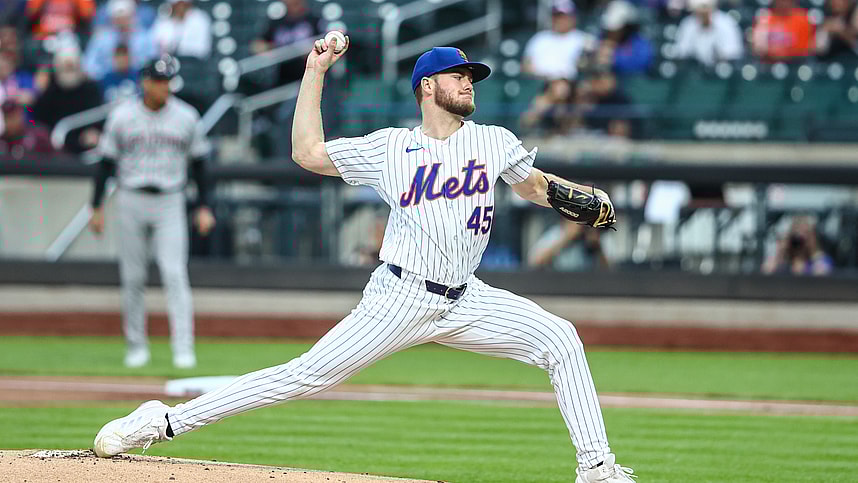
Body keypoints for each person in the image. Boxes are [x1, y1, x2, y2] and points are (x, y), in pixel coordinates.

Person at [91, 41, 635, 483]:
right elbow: (307, 153)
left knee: (561, 339)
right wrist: (315, 71)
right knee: (302, 377)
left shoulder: (494, 141)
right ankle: (160, 420)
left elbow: (535, 187)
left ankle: (597, 470)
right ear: (428, 86)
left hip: (466, 296)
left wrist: (579, 197)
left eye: (473, 75)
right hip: (400, 295)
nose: (470, 82)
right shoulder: (391, 148)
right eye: (459, 74)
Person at [87, 55, 216, 369]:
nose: (163, 86)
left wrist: (203, 206)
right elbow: (105, 164)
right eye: (158, 80)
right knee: (132, 277)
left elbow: (200, 165)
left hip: (170, 199)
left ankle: (183, 348)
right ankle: (136, 346)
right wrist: (96, 206)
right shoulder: (122, 116)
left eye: (167, 80)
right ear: (144, 81)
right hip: (131, 196)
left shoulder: (186, 116)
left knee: (174, 274)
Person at [31, 45, 103, 154]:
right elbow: (40, 120)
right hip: (55, 148)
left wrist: (94, 131)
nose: (69, 71)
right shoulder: (50, 92)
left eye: (72, 67)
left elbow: (98, 116)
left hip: (85, 148)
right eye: (65, 68)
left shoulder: (91, 90)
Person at [83, 0, 157, 82]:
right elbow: (89, 64)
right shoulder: (101, 38)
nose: (122, 21)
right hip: (107, 82)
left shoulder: (143, 37)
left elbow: (152, 60)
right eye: (118, 18)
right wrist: (104, 76)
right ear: (112, 19)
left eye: (125, 17)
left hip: (138, 80)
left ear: (132, 16)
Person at [522, 0, 592, 81]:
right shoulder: (540, 37)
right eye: (556, 16)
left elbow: (585, 66)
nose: (559, 20)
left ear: (573, 18)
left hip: (567, 84)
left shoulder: (584, 39)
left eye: (563, 16)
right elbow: (526, 65)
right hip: (538, 82)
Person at [674, 0, 744, 67]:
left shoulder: (726, 23)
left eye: (705, 7)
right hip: (694, 72)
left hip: (720, 71)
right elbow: (681, 52)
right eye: (699, 9)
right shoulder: (688, 24)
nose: (703, 13)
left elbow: (733, 53)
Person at [762, 216, 833, 275]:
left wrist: (805, 268)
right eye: (796, 235)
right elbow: (766, 271)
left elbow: (822, 272)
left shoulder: (820, 260)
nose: (800, 241)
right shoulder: (783, 261)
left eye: (806, 234)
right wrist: (780, 253)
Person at [528, 220, 609, 271]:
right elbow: (535, 262)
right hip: (557, 281)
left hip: (587, 283)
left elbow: (611, 269)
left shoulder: (589, 235)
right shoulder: (557, 233)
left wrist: (597, 246)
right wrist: (566, 238)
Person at [599, 0, 653, 75]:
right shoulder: (602, 35)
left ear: (626, 26)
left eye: (616, 28)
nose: (611, 31)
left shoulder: (640, 44)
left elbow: (641, 64)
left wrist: (614, 59)